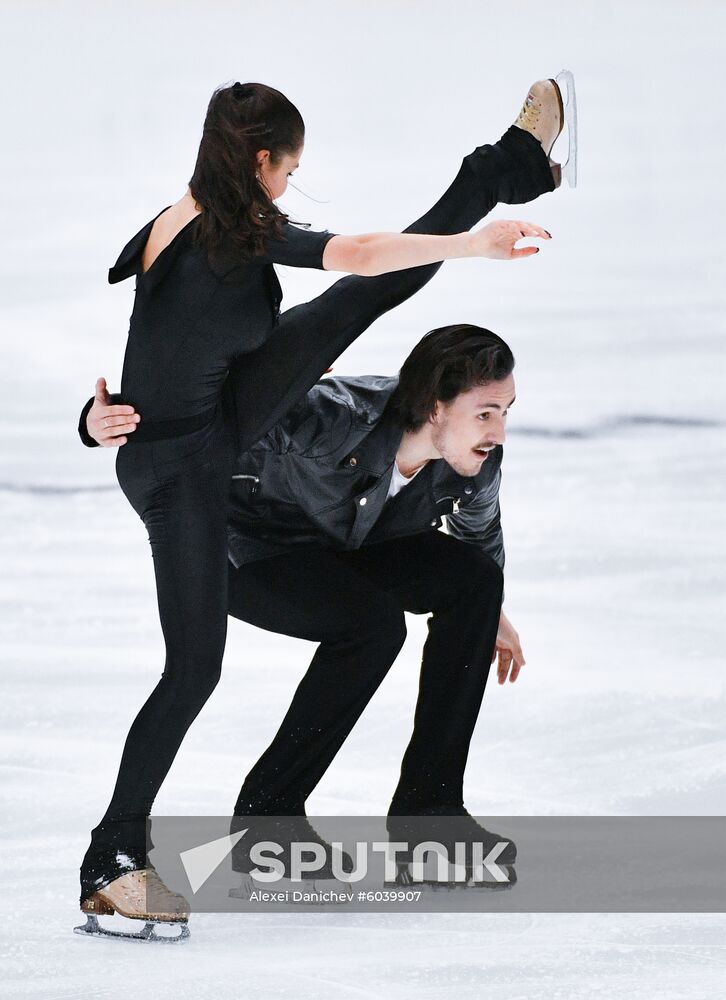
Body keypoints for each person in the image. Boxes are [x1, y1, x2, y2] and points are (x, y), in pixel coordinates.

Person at [77, 75, 574, 935]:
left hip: (210, 417)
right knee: (194, 668)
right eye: (288, 169)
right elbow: (363, 251)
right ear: (263, 160)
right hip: (185, 469)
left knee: (360, 303)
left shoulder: (185, 217)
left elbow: (158, 346)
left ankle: (508, 163)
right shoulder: (232, 232)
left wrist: (94, 421)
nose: (285, 183)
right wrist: (470, 247)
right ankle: (112, 858)